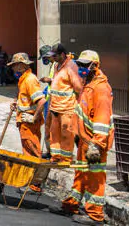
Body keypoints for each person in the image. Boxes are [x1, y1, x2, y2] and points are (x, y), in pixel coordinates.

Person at [50, 50, 113, 225]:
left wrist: (96, 144)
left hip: (95, 143)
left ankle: (95, 215)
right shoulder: (88, 83)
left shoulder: (101, 88)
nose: (82, 68)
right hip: (85, 140)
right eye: (80, 64)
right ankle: (72, 204)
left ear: (95, 66)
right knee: (81, 174)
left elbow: (102, 118)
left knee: (95, 177)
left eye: (86, 65)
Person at [8, 53, 47, 193]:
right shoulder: (23, 80)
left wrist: (34, 118)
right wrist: (16, 104)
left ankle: (34, 185)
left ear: (22, 65)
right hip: (24, 122)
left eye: (14, 66)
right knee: (27, 152)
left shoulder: (30, 80)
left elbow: (41, 101)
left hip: (30, 123)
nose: (13, 69)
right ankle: (29, 182)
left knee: (33, 152)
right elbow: (25, 100)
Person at [45, 43, 83, 163]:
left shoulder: (71, 67)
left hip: (67, 108)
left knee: (67, 135)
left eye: (55, 56)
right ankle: (56, 157)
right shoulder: (57, 66)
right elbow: (59, 83)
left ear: (62, 54)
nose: (53, 58)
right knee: (54, 135)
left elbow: (78, 88)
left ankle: (66, 158)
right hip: (55, 107)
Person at [39, 45, 57, 159]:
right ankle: (50, 151)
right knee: (47, 127)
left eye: (44, 57)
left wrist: (49, 80)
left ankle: (54, 153)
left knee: (52, 127)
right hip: (49, 97)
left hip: (54, 100)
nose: (44, 60)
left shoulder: (57, 65)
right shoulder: (52, 65)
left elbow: (61, 80)